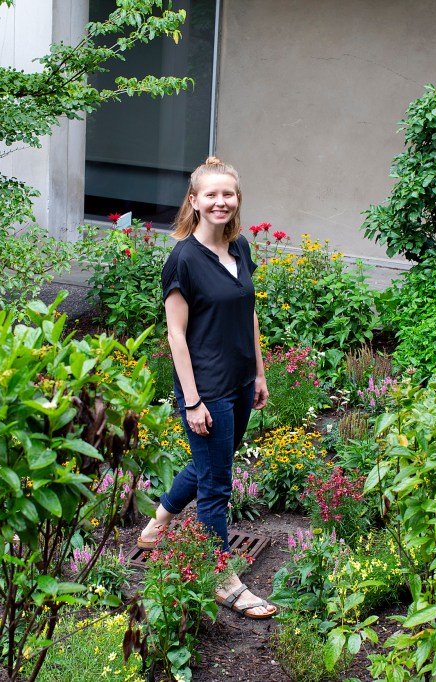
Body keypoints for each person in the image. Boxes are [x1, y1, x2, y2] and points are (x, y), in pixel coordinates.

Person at [137, 156, 277, 619]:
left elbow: (248, 314)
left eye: (228, 194)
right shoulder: (183, 259)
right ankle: (222, 579)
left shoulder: (240, 250)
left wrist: (258, 373)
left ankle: (157, 525)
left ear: (237, 200)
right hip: (207, 388)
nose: (221, 202)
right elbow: (176, 335)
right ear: (193, 202)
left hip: (239, 382)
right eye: (211, 195)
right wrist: (192, 400)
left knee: (209, 466)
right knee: (217, 485)